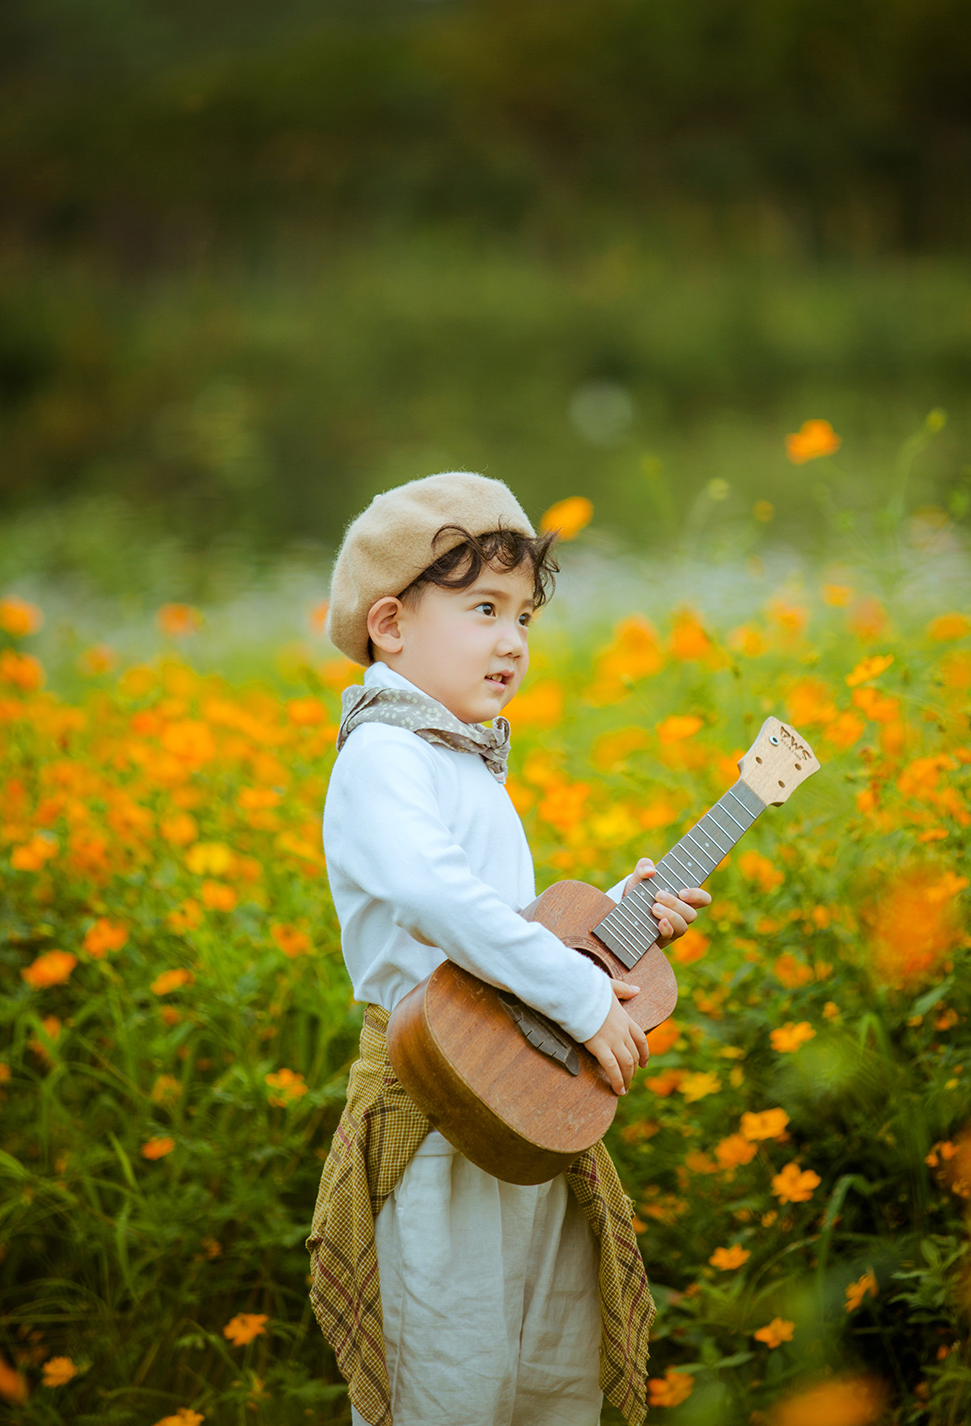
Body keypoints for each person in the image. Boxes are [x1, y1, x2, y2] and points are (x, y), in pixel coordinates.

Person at [306, 471, 710, 1426]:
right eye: (485, 608)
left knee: (548, 1379)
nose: (512, 641)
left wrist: (617, 913)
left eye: (525, 617)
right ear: (393, 626)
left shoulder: (462, 757)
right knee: (448, 1376)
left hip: (519, 1103)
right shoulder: (383, 755)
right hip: (437, 1120)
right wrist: (580, 1001)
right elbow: (431, 897)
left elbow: (499, 926)